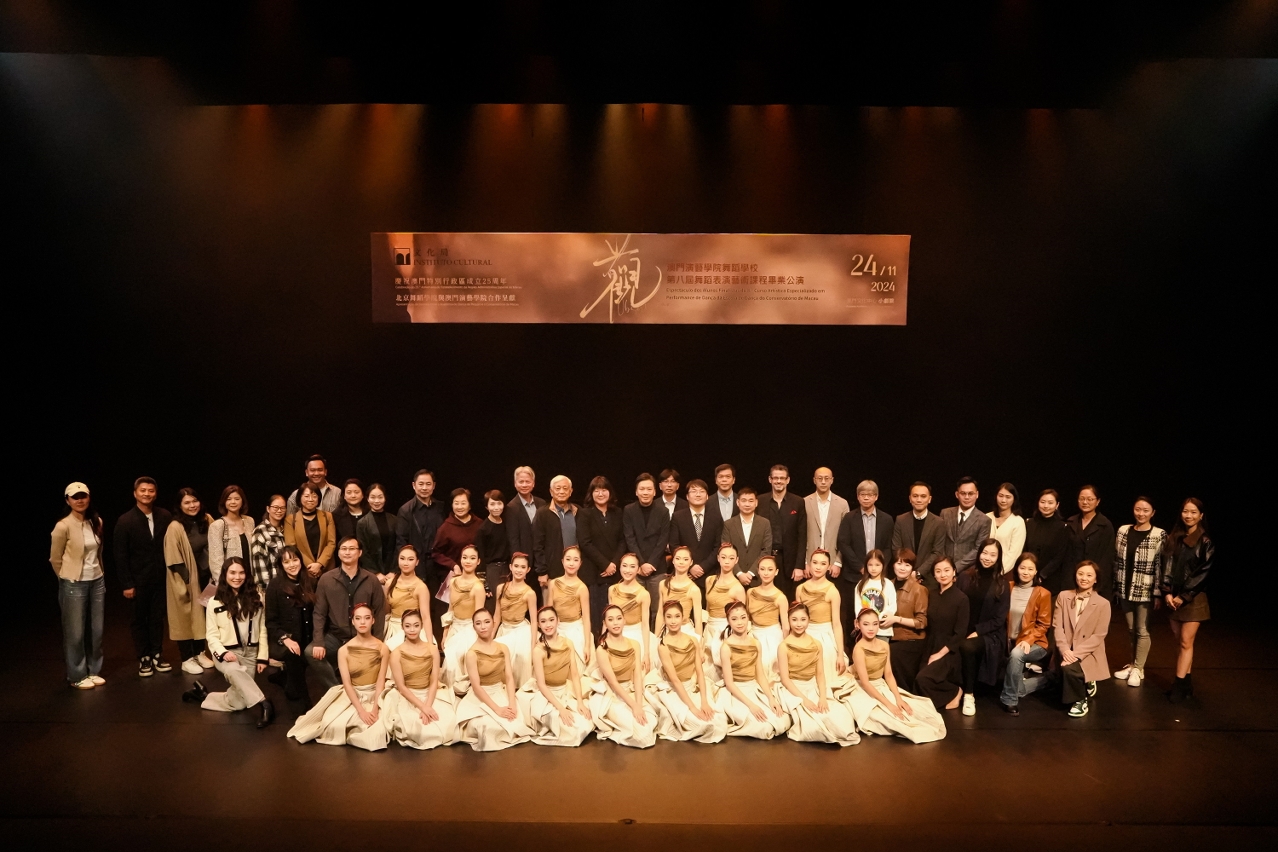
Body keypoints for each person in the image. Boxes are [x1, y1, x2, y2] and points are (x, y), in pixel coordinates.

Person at [184, 557, 274, 728]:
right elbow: (211, 635)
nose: (237, 577)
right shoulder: (214, 602)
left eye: (241, 573)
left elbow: (262, 628)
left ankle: (203, 695)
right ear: (225, 574)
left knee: (239, 702)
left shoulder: (257, 598)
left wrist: (263, 656)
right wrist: (223, 653)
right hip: (226, 653)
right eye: (232, 573)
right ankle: (264, 703)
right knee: (234, 670)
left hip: (250, 652)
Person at [288, 602, 390, 750]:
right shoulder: (344, 650)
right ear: (353, 621)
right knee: (334, 725)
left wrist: (375, 708)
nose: (362, 622)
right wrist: (361, 711)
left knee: (377, 728)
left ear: (373, 620)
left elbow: (381, 680)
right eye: (358, 618)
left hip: (376, 695)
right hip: (353, 695)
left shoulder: (382, 648)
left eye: (367, 618)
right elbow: (347, 683)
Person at [845, 609, 946, 743]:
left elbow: (888, 674)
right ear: (858, 625)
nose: (871, 628)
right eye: (866, 624)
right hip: (864, 689)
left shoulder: (884, 645)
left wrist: (898, 699)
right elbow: (865, 683)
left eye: (875, 624)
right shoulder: (859, 649)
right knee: (889, 718)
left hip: (880, 685)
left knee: (912, 710)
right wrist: (889, 704)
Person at [306, 537, 387, 690]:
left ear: (360, 553)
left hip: (362, 637)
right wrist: (318, 641)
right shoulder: (326, 579)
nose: (347, 552)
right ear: (338, 553)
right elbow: (319, 613)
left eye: (352, 549)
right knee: (311, 652)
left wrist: (377, 642)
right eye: (344, 549)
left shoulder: (371, 580)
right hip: (336, 636)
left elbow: (379, 612)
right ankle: (338, 690)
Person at [114, 476, 175, 677]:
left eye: (151, 490)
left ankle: (157, 653)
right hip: (137, 581)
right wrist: (127, 583)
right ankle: (144, 657)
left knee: (157, 618)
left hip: (160, 578)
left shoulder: (165, 516)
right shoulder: (125, 520)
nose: (147, 494)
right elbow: (120, 555)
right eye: (143, 490)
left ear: (155, 494)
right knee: (139, 620)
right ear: (135, 493)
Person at [50, 482, 107, 690]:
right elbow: (55, 558)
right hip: (74, 583)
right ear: (68, 501)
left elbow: (98, 552)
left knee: (96, 630)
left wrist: (100, 574)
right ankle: (77, 675)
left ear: (89, 497)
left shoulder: (96, 521)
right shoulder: (63, 526)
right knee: (75, 633)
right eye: (75, 497)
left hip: (97, 580)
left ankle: (93, 670)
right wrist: (66, 578)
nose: (80, 500)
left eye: (83, 496)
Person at [454, 608, 533, 750]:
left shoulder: (503, 648)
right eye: (478, 623)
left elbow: (509, 677)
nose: (483, 626)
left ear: (493, 623)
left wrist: (512, 703)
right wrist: (497, 709)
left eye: (486, 622)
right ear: (474, 627)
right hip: (480, 697)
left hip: (499, 692)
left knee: (514, 722)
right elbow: (476, 687)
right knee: (488, 727)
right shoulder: (472, 653)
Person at [649, 600, 725, 743]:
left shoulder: (693, 640)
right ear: (664, 619)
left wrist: (704, 701)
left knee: (718, 722)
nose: (673, 621)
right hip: (675, 691)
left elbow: (700, 672)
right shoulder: (663, 646)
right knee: (703, 724)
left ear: (683, 617)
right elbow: (675, 680)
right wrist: (693, 708)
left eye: (677, 616)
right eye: (669, 617)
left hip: (693, 688)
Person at [382, 608, 458, 749]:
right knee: (418, 730)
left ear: (421, 626)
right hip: (407, 696)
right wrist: (422, 707)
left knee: (449, 725)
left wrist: (427, 706)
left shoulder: (432, 649)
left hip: (429, 693)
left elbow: (434, 680)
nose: (412, 630)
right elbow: (401, 687)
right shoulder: (396, 653)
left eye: (416, 625)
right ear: (402, 627)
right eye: (408, 626)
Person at [518, 606, 594, 747]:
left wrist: (580, 701)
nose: (548, 625)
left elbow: (575, 675)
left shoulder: (568, 643)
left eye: (551, 620)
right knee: (575, 731)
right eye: (543, 621)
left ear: (558, 620)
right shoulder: (538, 650)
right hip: (546, 696)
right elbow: (541, 685)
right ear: (539, 625)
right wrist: (560, 708)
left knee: (587, 722)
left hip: (565, 691)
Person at [1163, 498, 1214, 703]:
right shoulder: (1174, 537)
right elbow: (1167, 566)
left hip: (1193, 598)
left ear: (1201, 516)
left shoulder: (1205, 542)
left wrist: (1184, 596)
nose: (1189, 516)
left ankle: (1178, 685)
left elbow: (1202, 574)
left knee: (1186, 641)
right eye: (1186, 511)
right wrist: (1167, 591)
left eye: (1193, 512)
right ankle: (1186, 685)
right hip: (1173, 598)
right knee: (1180, 642)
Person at [1112, 497, 1166, 689]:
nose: (1141, 513)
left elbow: (1160, 565)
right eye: (1137, 509)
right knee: (1130, 629)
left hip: (1145, 589)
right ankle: (1133, 664)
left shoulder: (1159, 534)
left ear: (1153, 513)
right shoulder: (1123, 531)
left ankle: (1138, 668)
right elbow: (1116, 560)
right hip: (1125, 587)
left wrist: (1158, 593)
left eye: (1145, 510)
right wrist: (1115, 586)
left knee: (1142, 629)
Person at [717, 601, 790, 739]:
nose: (739, 622)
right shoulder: (726, 647)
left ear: (748, 618)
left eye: (743, 617)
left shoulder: (756, 643)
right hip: (736, 693)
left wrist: (771, 698)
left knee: (783, 720)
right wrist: (751, 705)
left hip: (753, 688)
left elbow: (760, 675)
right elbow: (729, 683)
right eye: (734, 619)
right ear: (728, 621)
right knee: (764, 727)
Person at [954, 538, 1010, 716]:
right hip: (964, 628)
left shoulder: (1002, 584)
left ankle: (969, 695)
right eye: (985, 553)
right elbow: (956, 605)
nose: (987, 558)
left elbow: (999, 619)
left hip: (990, 633)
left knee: (967, 646)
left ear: (998, 558)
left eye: (993, 555)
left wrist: (977, 631)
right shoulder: (965, 577)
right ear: (979, 554)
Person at [589, 604, 657, 748]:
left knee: (651, 721)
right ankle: (615, 732)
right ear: (605, 623)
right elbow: (613, 683)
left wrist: (638, 704)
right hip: (612, 696)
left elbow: (637, 675)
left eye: (619, 618)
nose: (615, 623)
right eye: (611, 620)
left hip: (631, 691)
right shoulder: (602, 649)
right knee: (643, 736)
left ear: (624, 620)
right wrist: (633, 706)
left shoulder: (635, 644)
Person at [164, 488, 214, 674]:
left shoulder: (207, 519)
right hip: (185, 578)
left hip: (207, 578)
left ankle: (200, 652)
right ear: (179, 505)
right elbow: (173, 557)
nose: (192, 505)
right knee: (184, 617)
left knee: (203, 615)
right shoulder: (175, 527)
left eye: (195, 501)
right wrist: (187, 580)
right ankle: (186, 658)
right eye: (187, 502)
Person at [1054, 561, 1112, 718]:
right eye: (1080, 574)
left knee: (1069, 669)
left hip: (1088, 652)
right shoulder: (1063, 596)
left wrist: (1075, 654)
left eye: (1089, 575)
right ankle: (1085, 680)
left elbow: (1099, 635)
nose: (1084, 578)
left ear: (1096, 579)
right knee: (1057, 681)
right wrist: (1065, 650)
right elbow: (1058, 627)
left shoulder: (1103, 604)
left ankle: (1080, 700)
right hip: (1067, 648)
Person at [999, 553, 1053, 715]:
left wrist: (1028, 640)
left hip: (1035, 643)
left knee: (1016, 654)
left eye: (1030, 569)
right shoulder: (1007, 587)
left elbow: (1043, 625)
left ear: (1036, 571)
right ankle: (1047, 679)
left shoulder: (1042, 593)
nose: (1026, 572)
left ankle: (1009, 699)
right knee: (1019, 688)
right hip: (1009, 641)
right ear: (1017, 569)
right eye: (1023, 568)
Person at [914, 557, 970, 712]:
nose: (943, 574)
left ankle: (955, 691)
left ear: (954, 572)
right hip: (929, 645)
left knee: (923, 679)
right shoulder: (930, 594)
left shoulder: (962, 599)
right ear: (934, 575)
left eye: (946, 570)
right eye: (938, 571)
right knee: (914, 680)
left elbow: (960, 634)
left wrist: (939, 654)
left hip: (949, 650)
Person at [264, 546, 314, 703]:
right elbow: (270, 622)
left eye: (295, 560)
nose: (292, 565)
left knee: (295, 685)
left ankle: (284, 678)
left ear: (301, 560)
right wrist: (286, 639)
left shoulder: (310, 581)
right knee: (295, 693)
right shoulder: (275, 586)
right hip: (288, 639)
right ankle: (307, 706)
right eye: (286, 562)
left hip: (309, 637)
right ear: (281, 565)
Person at [577, 475, 626, 635]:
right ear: (591, 494)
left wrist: (614, 564)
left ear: (610, 492)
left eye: (604, 490)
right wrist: (605, 564)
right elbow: (585, 543)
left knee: (614, 613)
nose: (600, 494)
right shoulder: (585, 514)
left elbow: (623, 540)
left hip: (614, 573)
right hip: (593, 573)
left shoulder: (618, 512)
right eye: (596, 490)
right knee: (596, 615)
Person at [623, 473, 673, 624]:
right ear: (636, 491)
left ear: (655, 491)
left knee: (657, 610)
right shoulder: (629, 510)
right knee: (635, 609)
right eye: (642, 489)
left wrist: (650, 563)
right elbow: (629, 538)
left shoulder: (663, 511)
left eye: (649, 489)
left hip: (656, 568)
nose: (645, 492)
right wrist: (640, 563)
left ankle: (656, 637)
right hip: (636, 568)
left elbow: (663, 540)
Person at [794, 550, 846, 687]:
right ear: (809, 564)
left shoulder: (832, 591)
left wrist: (840, 654)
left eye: (823, 564)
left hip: (825, 635)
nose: (818, 567)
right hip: (804, 633)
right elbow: (796, 619)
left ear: (829, 567)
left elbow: (836, 624)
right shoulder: (800, 589)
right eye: (815, 562)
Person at [440, 545, 488, 687]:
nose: (468, 561)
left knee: (463, 662)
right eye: (465, 557)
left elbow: (479, 618)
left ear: (478, 561)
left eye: (472, 558)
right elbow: (450, 609)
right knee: (450, 665)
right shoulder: (453, 581)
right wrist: (445, 633)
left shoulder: (478, 587)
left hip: (470, 630)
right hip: (454, 628)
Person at [668, 478, 724, 594]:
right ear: (687, 496)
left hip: (710, 574)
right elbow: (674, 545)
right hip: (684, 574)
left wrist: (703, 567)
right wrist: (690, 566)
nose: (698, 494)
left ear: (707, 496)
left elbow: (718, 546)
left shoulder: (716, 517)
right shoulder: (678, 517)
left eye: (701, 491)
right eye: (694, 491)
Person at [884, 549, 928, 694]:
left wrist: (896, 619)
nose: (902, 568)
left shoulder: (919, 589)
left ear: (912, 568)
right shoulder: (885, 585)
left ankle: (903, 696)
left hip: (910, 639)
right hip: (888, 635)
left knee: (892, 654)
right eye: (899, 563)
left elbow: (921, 622)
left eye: (907, 565)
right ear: (893, 565)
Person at [759, 464, 806, 598]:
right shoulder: (760, 501)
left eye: (782, 478)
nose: (778, 481)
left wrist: (799, 566)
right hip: (766, 559)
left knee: (787, 600)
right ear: (770, 479)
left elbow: (802, 535)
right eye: (775, 478)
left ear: (788, 480)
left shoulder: (798, 502)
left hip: (789, 563)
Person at [836, 480, 896, 583]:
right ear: (858, 496)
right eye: (863, 494)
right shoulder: (849, 518)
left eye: (870, 495)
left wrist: (878, 566)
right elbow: (844, 544)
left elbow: (888, 547)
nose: (866, 498)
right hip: (853, 575)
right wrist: (860, 567)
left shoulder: (887, 519)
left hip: (879, 575)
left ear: (876, 497)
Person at [891, 482, 947, 590]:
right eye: (915, 496)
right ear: (910, 498)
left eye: (923, 496)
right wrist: (907, 571)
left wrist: (918, 573)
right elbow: (896, 548)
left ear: (929, 499)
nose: (919, 500)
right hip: (903, 576)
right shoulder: (901, 520)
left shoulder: (939, 523)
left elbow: (937, 552)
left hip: (928, 579)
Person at [702, 544, 747, 675]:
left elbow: (742, 618)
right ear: (718, 558)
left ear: (736, 560)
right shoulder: (709, 580)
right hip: (709, 627)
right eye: (723, 557)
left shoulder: (738, 588)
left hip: (726, 629)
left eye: (731, 558)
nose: (727, 561)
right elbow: (708, 607)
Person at [495, 553, 538, 685]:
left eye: (523, 567)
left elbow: (534, 621)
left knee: (521, 656)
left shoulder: (529, 593)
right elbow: (497, 616)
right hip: (504, 629)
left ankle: (517, 687)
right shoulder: (501, 588)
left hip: (521, 631)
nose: (519, 570)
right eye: (516, 566)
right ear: (510, 567)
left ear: (528, 570)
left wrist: (533, 645)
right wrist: (488, 638)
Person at [1067, 485, 1117, 599]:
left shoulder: (1105, 525)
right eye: (1082, 499)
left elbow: (1107, 558)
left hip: (1096, 583)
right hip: (1073, 580)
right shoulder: (1070, 522)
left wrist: (1096, 583)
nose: (1085, 502)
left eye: (1090, 499)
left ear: (1097, 501)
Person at [545, 545, 592, 663]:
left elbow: (586, 618)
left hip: (575, 628)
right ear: (562, 561)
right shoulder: (553, 583)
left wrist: (587, 645)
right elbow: (549, 612)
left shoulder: (582, 588)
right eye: (568, 559)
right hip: (557, 628)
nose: (571, 563)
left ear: (580, 563)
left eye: (575, 560)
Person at [608, 553, 653, 672]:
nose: (628, 570)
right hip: (614, 635)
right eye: (624, 566)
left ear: (638, 569)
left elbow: (645, 625)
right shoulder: (612, 589)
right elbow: (608, 619)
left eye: (632, 567)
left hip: (636, 636)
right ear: (620, 567)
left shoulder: (643, 594)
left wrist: (646, 653)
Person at [381, 545, 432, 649]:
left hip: (413, 629)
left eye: (410, 559)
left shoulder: (421, 587)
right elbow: (386, 611)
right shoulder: (389, 583)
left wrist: (430, 643)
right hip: (393, 628)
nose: (405, 563)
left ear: (417, 562)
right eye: (402, 558)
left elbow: (426, 617)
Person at [720, 487, 773, 587]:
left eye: (751, 501)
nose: (747, 504)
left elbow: (766, 550)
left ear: (756, 503)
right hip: (733, 579)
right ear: (738, 502)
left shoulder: (765, 523)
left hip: (757, 579)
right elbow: (725, 550)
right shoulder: (729, 524)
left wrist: (751, 573)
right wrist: (739, 573)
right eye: (743, 501)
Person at [533, 475, 579, 587]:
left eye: (565, 488)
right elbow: (537, 545)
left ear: (571, 491)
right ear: (551, 491)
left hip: (576, 572)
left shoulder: (578, 511)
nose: (561, 491)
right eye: (558, 488)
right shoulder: (542, 513)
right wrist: (542, 571)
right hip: (551, 573)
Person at [1024, 489, 1072, 594]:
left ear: (1057, 505)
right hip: (1027, 576)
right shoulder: (1029, 523)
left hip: (1051, 579)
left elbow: (1059, 556)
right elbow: (1025, 550)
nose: (1046, 506)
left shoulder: (1063, 527)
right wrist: (1029, 572)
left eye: (1050, 503)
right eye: (1043, 502)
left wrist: (1042, 575)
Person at [747, 555, 788, 680]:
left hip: (772, 636)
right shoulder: (750, 592)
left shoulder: (780, 597)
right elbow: (747, 618)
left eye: (770, 569)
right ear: (758, 571)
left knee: (767, 664)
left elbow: (786, 627)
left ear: (776, 572)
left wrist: (786, 648)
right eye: (762, 569)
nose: (766, 573)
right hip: (753, 634)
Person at [803, 467, 850, 576]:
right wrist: (804, 562)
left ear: (832, 480)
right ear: (814, 480)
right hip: (810, 562)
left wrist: (838, 562)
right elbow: (799, 535)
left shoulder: (842, 504)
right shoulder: (804, 502)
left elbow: (847, 536)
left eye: (826, 478)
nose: (823, 482)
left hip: (833, 562)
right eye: (820, 478)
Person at [396, 469, 445, 569]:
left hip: (438, 564)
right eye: (421, 484)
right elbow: (401, 542)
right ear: (414, 485)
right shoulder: (405, 510)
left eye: (428, 484)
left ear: (434, 486)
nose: (424, 488)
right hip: (416, 565)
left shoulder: (440, 507)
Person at [284, 482, 336, 577]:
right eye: (306, 496)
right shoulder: (291, 520)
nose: (310, 499)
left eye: (314, 496)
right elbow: (291, 546)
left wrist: (320, 564)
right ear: (300, 498)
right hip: (304, 570)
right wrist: (311, 566)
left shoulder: (327, 516)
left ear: (319, 498)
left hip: (326, 569)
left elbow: (331, 543)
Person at [941, 477, 992, 574]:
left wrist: (955, 568)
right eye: (963, 493)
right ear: (957, 494)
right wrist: (945, 565)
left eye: (970, 494)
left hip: (969, 572)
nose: (967, 497)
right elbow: (940, 541)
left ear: (977, 494)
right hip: (943, 569)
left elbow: (978, 549)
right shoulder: (945, 513)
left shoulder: (984, 520)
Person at [208, 485, 254, 587]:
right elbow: (215, 561)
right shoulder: (217, 526)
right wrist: (222, 584)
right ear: (224, 502)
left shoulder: (249, 521)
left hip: (248, 578)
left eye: (237, 499)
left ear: (242, 501)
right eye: (229, 499)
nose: (233, 502)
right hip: (230, 581)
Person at [658, 545, 705, 636]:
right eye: (678, 558)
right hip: (666, 630)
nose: (681, 562)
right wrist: (657, 637)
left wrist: (698, 640)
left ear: (691, 562)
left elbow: (698, 620)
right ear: (673, 561)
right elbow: (660, 614)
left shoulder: (694, 589)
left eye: (685, 559)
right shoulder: (663, 584)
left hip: (685, 631)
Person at [475, 489, 511, 606]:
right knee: (494, 605)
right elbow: (480, 556)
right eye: (492, 504)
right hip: (491, 570)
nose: (496, 507)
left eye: (499, 503)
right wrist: (484, 583)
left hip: (507, 569)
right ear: (487, 507)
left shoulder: (507, 523)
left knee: (507, 603)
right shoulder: (483, 529)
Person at [355, 483, 398, 580]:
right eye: (373, 497)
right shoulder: (362, 523)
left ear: (385, 498)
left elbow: (398, 546)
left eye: (380, 497)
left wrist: (393, 571)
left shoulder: (394, 520)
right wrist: (376, 573)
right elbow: (363, 550)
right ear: (367, 498)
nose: (377, 501)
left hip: (393, 571)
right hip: (371, 573)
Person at [853, 549, 896, 643]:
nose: (873, 568)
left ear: (883, 565)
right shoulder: (861, 584)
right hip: (865, 629)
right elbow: (858, 606)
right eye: (870, 565)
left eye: (877, 565)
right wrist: (862, 620)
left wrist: (880, 620)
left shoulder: (888, 584)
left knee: (881, 651)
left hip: (883, 629)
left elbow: (892, 606)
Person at [505, 466, 546, 560]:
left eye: (527, 481)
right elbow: (513, 539)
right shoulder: (511, 507)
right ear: (515, 484)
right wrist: (517, 559)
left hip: (542, 556)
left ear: (533, 483)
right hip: (523, 558)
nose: (524, 485)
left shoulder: (541, 503)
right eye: (521, 482)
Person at [250, 494, 288, 594]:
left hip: (288, 586)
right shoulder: (260, 531)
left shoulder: (287, 529)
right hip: (271, 588)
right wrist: (268, 589)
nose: (279, 511)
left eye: (282, 508)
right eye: (275, 507)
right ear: (268, 509)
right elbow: (259, 563)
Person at [986, 482, 1026, 574]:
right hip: (983, 569)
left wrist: (998, 571)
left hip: (1005, 571)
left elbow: (1014, 553)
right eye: (1001, 496)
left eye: (1008, 497)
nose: (1003, 500)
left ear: (1014, 499)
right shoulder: (986, 517)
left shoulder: (1018, 522)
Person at [331, 479, 369, 545]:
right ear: (344, 496)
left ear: (363, 494)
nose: (353, 495)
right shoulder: (336, 515)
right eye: (349, 492)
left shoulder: (370, 513)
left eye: (356, 492)